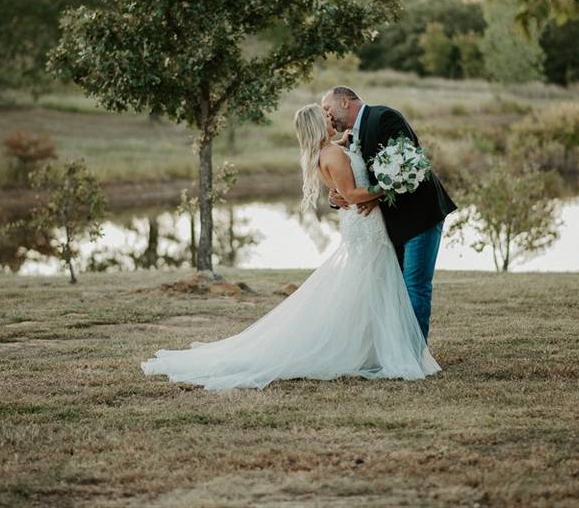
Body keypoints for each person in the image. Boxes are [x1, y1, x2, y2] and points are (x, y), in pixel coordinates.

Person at [139, 103, 441, 390]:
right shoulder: (332, 155)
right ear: (317, 126)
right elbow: (349, 193)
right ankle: (380, 351)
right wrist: (386, 186)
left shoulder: (333, 149)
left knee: (371, 288)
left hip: (366, 227)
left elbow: (345, 184)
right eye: (325, 117)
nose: (330, 119)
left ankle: (377, 349)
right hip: (366, 229)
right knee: (370, 285)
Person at [321, 86, 457, 341]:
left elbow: (407, 167)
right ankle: (395, 347)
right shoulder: (350, 136)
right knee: (393, 287)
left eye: (328, 110)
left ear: (344, 102)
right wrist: (336, 195)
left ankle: (415, 353)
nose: (327, 117)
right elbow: (351, 180)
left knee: (415, 284)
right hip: (389, 223)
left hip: (420, 214)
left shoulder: (384, 118)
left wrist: (377, 194)